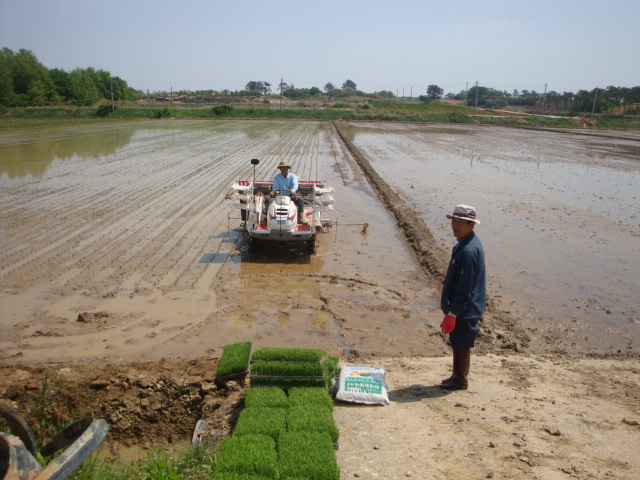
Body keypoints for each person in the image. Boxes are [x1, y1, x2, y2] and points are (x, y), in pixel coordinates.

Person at [439, 204, 486, 391]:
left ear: (471, 225)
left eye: (461, 223)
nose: (455, 226)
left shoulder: (468, 251)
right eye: (454, 222)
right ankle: (455, 375)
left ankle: (460, 380)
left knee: (461, 344)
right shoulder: (465, 243)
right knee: (457, 342)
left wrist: (453, 313)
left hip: (465, 309)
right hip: (463, 307)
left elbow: (465, 288)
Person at [270, 160, 307, 224]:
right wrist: (276, 192)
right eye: (282, 168)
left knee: (300, 200)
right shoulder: (277, 177)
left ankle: (300, 218)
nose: (283, 169)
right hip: (280, 196)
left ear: (288, 168)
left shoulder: (293, 176)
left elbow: (295, 185)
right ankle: (269, 217)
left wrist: (293, 190)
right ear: (280, 169)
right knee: (268, 199)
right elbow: (275, 188)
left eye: (285, 167)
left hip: (290, 195)